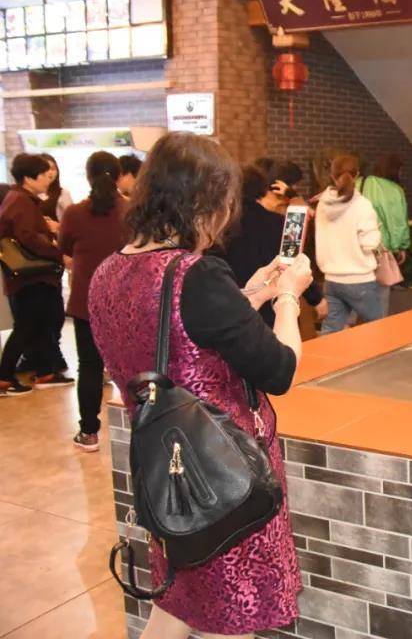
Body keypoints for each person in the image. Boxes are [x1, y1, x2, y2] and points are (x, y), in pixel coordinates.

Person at [88, 131, 311, 639]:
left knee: (177, 603)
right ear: (207, 202)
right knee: (230, 614)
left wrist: (250, 295)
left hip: (165, 472)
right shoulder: (196, 275)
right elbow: (280, 369)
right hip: (223, 477)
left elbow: (179, 337)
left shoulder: (109, 271)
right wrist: (288, 298)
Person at [59, 151, 128, 451]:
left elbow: (64, 248)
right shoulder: (133, 210)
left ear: (88, 177)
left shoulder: (74, 213)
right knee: (131, 364)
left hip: (86, 302)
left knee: (89, 365)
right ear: (120, 176)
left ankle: (88, 432)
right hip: (127, 301)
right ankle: (140, 426)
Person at [0, 153, 72, 393]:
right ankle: (4, 376)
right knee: (26, 326)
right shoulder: (21, 201)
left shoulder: (20, 199)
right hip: (31, 275)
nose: (48, 178)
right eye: (43, 174)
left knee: (39, 323)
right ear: (29, 178)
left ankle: (45, 372)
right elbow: (29, 237)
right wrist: (58, 254)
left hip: (31, 275)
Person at [222, 164, 327, 327]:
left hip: (229, 307)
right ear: (263, 190)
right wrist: (316, 299)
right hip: (271, 307)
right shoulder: (283, 223)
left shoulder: (220, 225)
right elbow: (294, 263)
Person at [315, 153, 383, 333]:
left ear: (332, 175)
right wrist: (377, 231)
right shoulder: (362, 205)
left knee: (331, 330)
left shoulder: (323, 204)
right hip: (360, 279)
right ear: (357, 175)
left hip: (331, 279)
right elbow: (369, 244)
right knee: (377, 329)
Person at [361, 153, 410, 315]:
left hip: (356, 246)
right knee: (381, 293)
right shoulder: (394, 190)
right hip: (380, 248)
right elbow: (397, 223)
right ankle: (379, 325)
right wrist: (400, 247)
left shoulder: (359, 183)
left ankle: (349, 326)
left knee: (355, 291)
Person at [39, 154, 73, 221]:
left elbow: (72, 220)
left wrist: (57, 225)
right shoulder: (31, 193)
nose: (50, 172)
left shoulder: (63, 193)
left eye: (53, 169)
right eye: (45, 169)